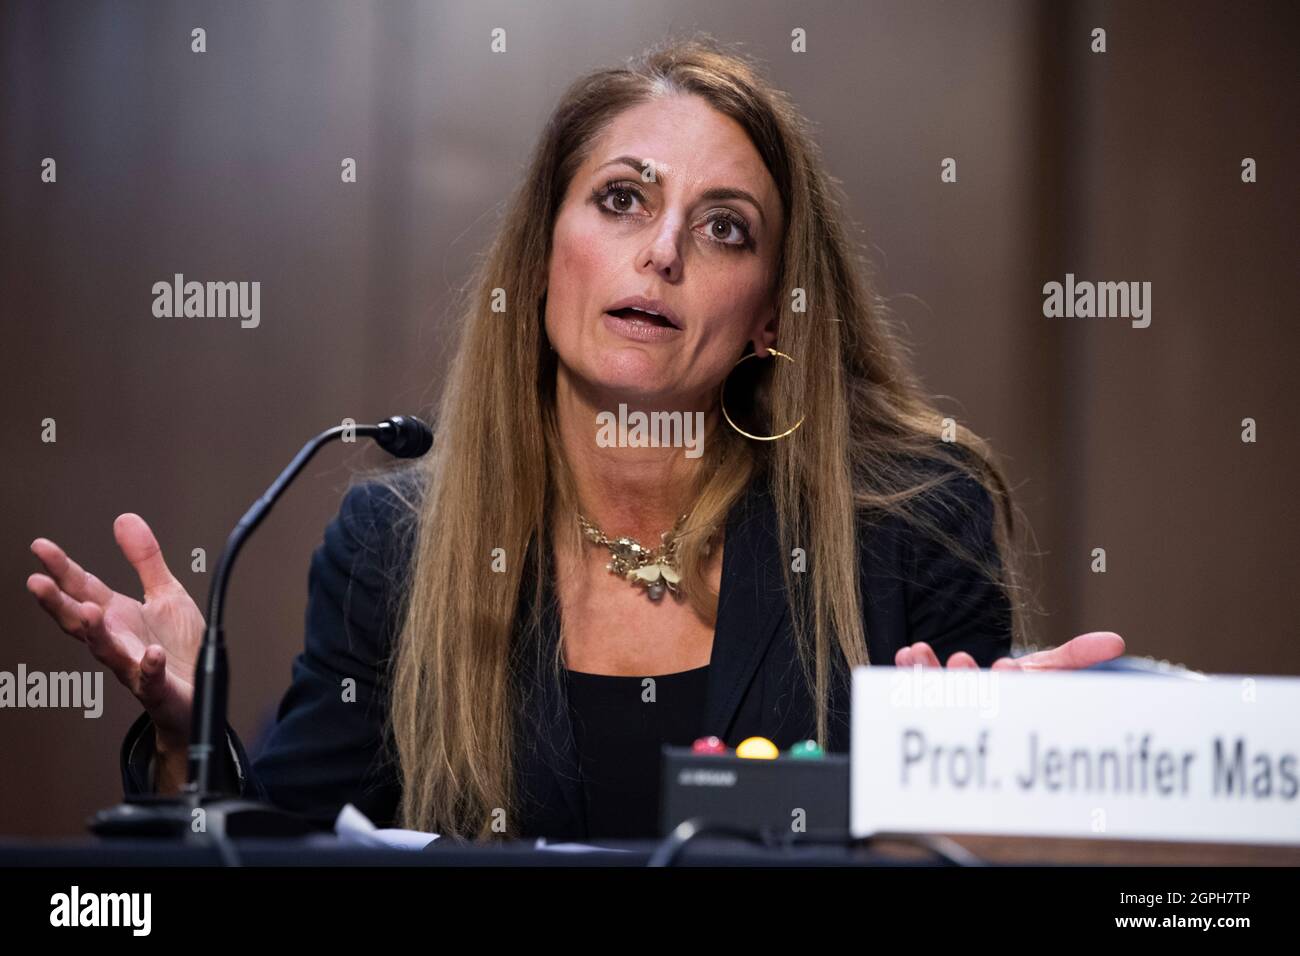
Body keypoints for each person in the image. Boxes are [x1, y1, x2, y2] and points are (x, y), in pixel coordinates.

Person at [25, 36, 1124, 843]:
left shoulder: (910, 522)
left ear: (772, 313)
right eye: (620, 200)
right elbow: (283, 845)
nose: (661, 254)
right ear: (543, 253)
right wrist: (190, 724)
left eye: (723, 227)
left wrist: (997, 770)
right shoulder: (392, 546)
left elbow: (986, 857)